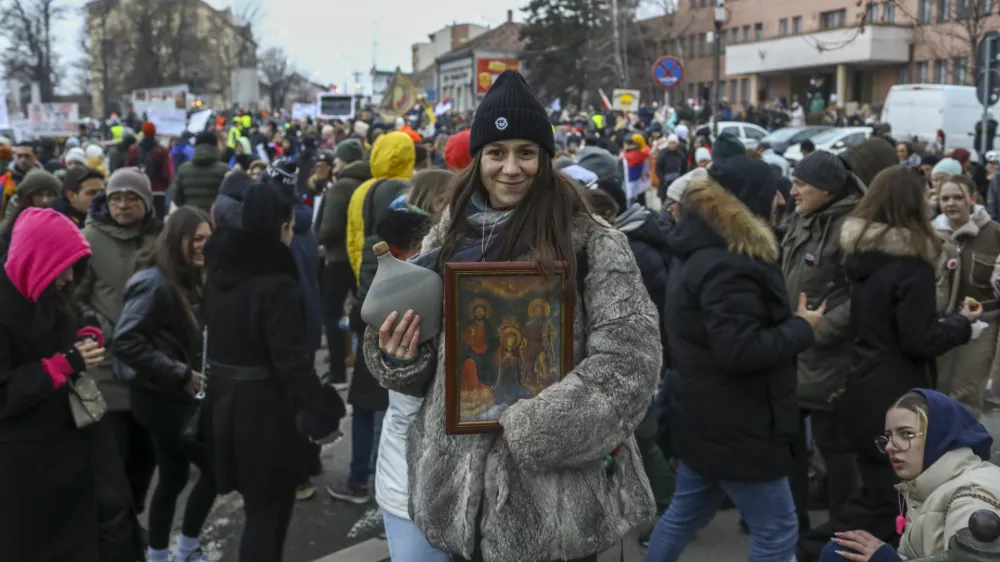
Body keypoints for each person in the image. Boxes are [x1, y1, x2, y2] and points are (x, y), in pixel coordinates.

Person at [366, 70, 661, 562]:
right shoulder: (449, 236)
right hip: (457, 502)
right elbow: (428, 359)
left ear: (545, 158)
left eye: (526, 152)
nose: (511, 168)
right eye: (497, 153)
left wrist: (534, 428)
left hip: (555, 508)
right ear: (478, 158)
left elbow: (630, 363)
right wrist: (399, 355)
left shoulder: (594, 242)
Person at [645, 155, 821, 562]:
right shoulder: (730, 263)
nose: (782, 198)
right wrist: (802, 327)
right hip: (740, 425)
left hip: (707, 418)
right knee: (777, 531)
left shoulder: (702, 248)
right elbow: (739, 349)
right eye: (774, 190)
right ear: (750, 198)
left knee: (684, 514)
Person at [828, 164, 978, 553]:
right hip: (896, 394)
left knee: (875, 493)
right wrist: (961, 325)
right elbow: (918, 339)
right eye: (927, 196)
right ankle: (821, 551)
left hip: (862, 384)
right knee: (886, 503)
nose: (931, 203)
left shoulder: (864, 258)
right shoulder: (911, 265)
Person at [202, 183, 345, 562]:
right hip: (267, 412)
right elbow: (292, 362)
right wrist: (321, 412)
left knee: (258, 510)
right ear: (282, 227)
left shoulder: (220, 271)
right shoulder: (276, 284)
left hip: (227, 405)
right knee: (269, 514)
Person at [0, 207, 138, 561]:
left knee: (114, 517)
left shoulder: (49, 288)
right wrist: (59, 366)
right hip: (30, 464)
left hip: (83, 436)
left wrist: (86, 332)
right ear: (37, 259)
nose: (68, 279)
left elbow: (75, 316)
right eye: (64, 268)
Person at [113, 207, 217, 562]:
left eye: (208, 237)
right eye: (197, 238)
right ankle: (186, 549)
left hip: (166, 395)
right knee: (217, 468)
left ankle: (160, 555)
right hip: (160, 397)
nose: (204, 245)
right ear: (177, 240)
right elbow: (125, 341)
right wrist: (182, 374)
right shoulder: (154, 281)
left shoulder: (188, 275)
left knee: (172, 477)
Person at [820, 389, 1000, 562]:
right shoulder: (924, 485)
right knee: (841, 552)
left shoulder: (969, 501)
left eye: (906, 434)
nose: (891, 446)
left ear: (940, 436)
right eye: (889, 436)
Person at [76, 168, 162, 524]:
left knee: (146, 457)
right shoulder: (87, 239)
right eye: (115, 198)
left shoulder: (161, 237)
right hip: (106, 369)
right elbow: (74, 299)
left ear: (145, 201)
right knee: (113, 461)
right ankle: (120, 529)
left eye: (130, 198)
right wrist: (106, 329)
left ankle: (134, 512)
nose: (122, 205)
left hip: (151, 365)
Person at [782, 151, 862, 525]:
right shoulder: (804, 219)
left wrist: (818, 329)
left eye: (801, 184)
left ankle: (844, 533)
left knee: (835, 451)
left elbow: (863, 297)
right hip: (794, 352)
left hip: (829, 361)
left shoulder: (853, 229)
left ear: (826, 191)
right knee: (791, 449)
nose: (792, 191)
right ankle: (795, 532)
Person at [932, 175, 1000, 415]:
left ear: (972, 199)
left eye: (958, 197)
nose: (951, 203)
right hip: (941, 323)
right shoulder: (930, 233)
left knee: (967, 394)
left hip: (982, 326)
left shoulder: (994, 234)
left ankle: (963, 448)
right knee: (937, 389)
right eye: (945, 198)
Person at [317, 139, 369, 387]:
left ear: (343, 160)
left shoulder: (341, 187)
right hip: (363, 258)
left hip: (338, 259)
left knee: (332, 314)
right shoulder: (372, 182)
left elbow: (328, 228)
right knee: (363, 315)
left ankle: (338, 370)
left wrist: (319, 240)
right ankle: (363, 370)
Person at [172, 131, 229, 213]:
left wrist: (187, 208)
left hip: (191, 217)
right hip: (214, 219)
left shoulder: (183, 169)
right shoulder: (224, 170)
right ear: (215, 147)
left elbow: (176, 197)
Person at [126, 122, 173, 218]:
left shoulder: (134, 149)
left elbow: (128, 170)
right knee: (158, 221)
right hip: (158, 191)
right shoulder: (162, 151)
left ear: (143, 132)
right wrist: (165, 186)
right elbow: (167, 173)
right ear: (155, 132)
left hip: (138, 190)